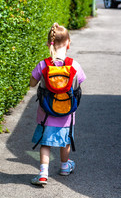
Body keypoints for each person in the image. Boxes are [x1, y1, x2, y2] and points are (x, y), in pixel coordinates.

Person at [29, 22, 86, 185]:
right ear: (68, 43)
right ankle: (64, 166)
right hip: (67, 114)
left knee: (45, 144)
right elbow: (78, 86)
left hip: (46, 114)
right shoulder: (74, 65)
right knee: (65, 141)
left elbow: (32, 84)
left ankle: (42, 173)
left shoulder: (43, 65)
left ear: (49, 44)